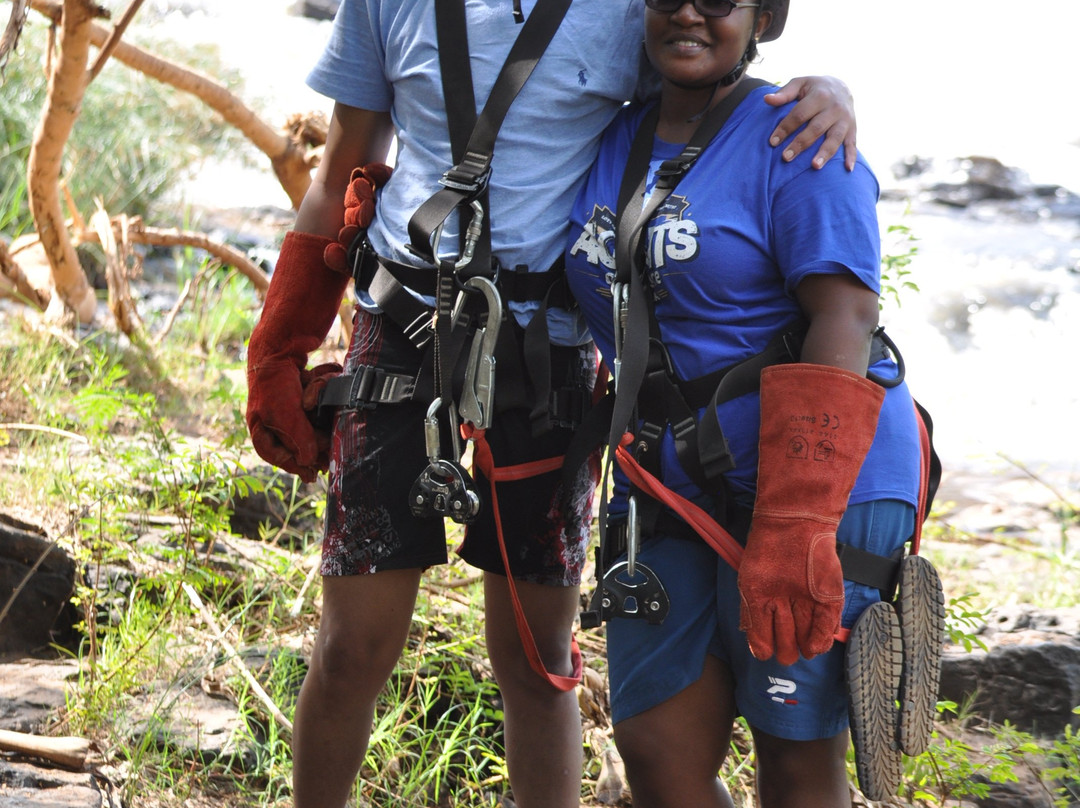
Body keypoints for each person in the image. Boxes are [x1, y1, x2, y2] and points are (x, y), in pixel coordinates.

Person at [244, 1, 862, 806]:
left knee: (538, 660)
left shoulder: (630, 7)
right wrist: (279, 346)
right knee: (351, 647)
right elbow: (340, 175)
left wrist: (834, 91)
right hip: (401, 334)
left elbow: (712, 80)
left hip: (552, 355)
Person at [564, 1, 929, 806]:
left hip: (819, 480)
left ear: (762, 18)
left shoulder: (801, 138)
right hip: (668, 483)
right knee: (657, 752)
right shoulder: (604, 134)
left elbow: (846, 316)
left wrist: (797, 523)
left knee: (795, 762)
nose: (689, 12)